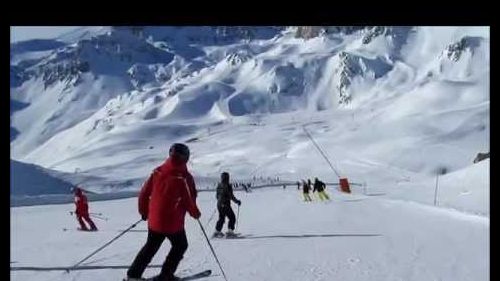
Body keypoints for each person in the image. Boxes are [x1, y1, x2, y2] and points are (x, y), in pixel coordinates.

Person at [125, 143, 201, 281]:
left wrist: (144, 211)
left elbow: (143, 194)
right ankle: (166, 275)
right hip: (172, 223)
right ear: (186, 158)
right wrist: (195, 213)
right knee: (180, 245)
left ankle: (133, 275)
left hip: (154, 221)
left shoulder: (157, 171)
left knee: (150, 247)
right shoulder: (184, 177)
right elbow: (189, 200)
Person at [213, 172, 241, 238]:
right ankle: (230, 232)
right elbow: (231, 196)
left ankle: (217, 232)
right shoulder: (227, 186)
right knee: (232, 217)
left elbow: (216, 196)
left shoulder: (219, 185)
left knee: (221, 218)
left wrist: (220, 201)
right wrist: (237, 201)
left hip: (219, 205)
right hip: (225, 205)